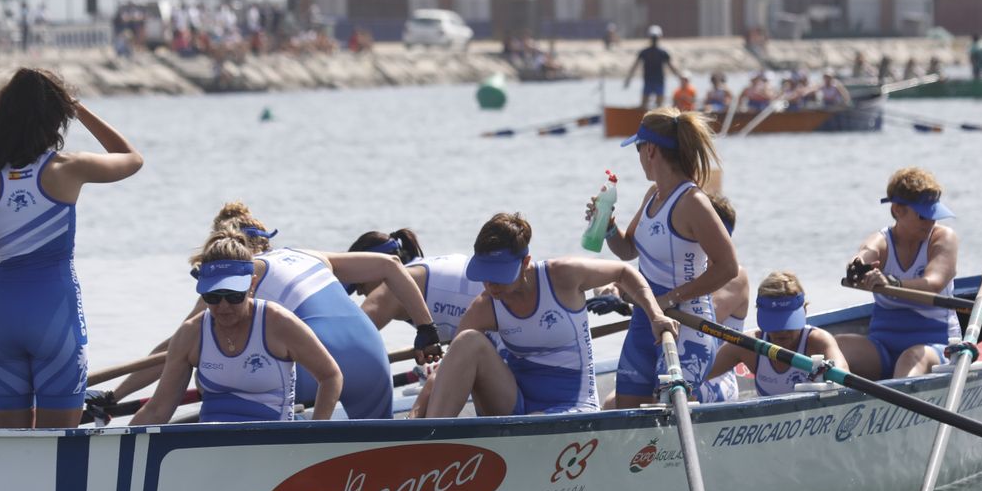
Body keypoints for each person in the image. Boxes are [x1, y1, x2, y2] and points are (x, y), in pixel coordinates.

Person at [0, 69, 143, 428]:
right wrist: (79, 108)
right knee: (57, 448)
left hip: (2, 322)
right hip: (54, 319)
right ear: (56, 118)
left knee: (13, 448)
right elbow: (131, 158)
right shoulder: (68, 167)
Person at [106, 203, 443, 420]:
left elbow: (173, 351)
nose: (224, 300)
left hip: (321, 367)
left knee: (219, 367)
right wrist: (426, 328)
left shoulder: (237, 276)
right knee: (374, 442)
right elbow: (391, 265)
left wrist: (115, 394)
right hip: (372, 355)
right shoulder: (308, 255)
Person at [419, 213, 676, 418]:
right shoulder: (486, 305)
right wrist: (411, 421)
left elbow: (622, 272)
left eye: (499, 275)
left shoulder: (561, 275)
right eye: (485, 275)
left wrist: (655, 315)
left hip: (574, 404)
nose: (491, 285)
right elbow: (445, 371)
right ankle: (429, 441)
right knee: (467, 342)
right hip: (515, 403)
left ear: (525, 262)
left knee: (536, 419)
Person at [594, 108, 738, 407]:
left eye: (637, 148)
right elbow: (627, 249)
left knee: (667, 413)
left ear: (650, 150)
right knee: (626, 412)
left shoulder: (693, 202)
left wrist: (670, 298)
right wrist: (607, 226)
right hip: (647, 318)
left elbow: (728, 268)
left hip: (688, 324)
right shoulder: (652, 195)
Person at [128, 234, 343, 425]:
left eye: (233, 296)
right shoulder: (190, 334)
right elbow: (157, 411)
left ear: (252, 285)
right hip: (211, 441)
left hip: (273, 442)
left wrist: (312, 432)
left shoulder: (278, 323)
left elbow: (330, 376)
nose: (223, 307)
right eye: (212, 296)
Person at [836, 167, 960, 380]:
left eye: (934, 215)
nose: (931, 222)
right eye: (923, 216)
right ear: (897, 211)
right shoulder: (881, 241)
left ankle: (894, 407)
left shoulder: (943, 238)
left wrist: (892, 283)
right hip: (882, 346)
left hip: (934, 345)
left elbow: (934, 283)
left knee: (910, 358)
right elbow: (867, 252)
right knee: (834, 346)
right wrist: (858, 268)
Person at [705, 272, 848, 398]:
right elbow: (700, 375)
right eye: (774, 322)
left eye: (787, 321)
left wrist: (830, 371)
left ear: (804, 311)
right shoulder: (748, 345)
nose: (782, 330)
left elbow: (843, 374)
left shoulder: (818, 341)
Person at [346, 229, 483, 343]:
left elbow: (348, 337)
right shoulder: (420, 269)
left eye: (359, 283)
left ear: (375, 269)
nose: (358, 292)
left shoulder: (392, 288)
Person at [703, 193, 750, 402]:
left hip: (717, 380)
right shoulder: (684, 270)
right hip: (678, 370)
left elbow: (702, 314)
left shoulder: (735, 276)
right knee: (613, 401)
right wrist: (613, 289)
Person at [622, 24, 685, 110]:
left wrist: (680, 78)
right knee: (652, 106)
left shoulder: (657, 52)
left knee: (654, 106)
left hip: (656, 82)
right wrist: (679, 77)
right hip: (652, 81)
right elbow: (671, 67)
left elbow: (671, 67)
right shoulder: (650, 52)